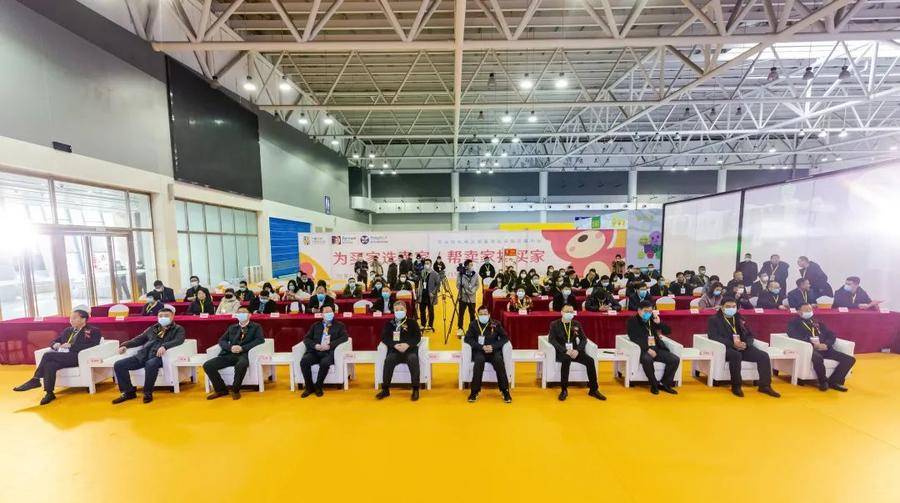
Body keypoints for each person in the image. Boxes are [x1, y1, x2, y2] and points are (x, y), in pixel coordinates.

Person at [13, 308, 101, 405]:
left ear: (83, 319)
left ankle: (36, 379)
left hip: (78, 357)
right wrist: (55, 344)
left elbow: (93, 345)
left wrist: (72, 346)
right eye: (70, 318)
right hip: (63, 356)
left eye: (74, 318)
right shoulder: (68, 330)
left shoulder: (93, 331)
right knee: (50, 365)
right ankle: (49, 393)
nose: (71, 320)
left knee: (47, 355)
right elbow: (54, 341)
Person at [111, 306, 185, 404]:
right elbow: (139, 339)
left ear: (172, 317)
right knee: (119, 364)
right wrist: (125, 345)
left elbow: (179, 340)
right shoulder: (154, 328)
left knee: (150, 364)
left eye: (166, 316)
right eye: (160, 316)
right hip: (144, 355)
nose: (163, 318)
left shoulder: (178, 329)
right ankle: (128, 392)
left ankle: (147, 393)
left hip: (159, 357)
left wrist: (165, 346)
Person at [707, 299, 780, 398]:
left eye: (734, 307)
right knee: (736, 355)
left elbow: (750, 335)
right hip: (726, 348)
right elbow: (714, 336)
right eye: (728, 307)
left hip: (742, 346)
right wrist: (733, 344)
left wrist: (746, 344)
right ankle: (736, 386)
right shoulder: (714, 319)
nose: (731, 309)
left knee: (763, 356)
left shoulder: (740, 318)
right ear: (722, 307)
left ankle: (765, 386)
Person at [787, 303, 856, 391]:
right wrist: (814, 345)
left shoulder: (817, 322)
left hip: (824, 348)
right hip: (809, 349)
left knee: (849, 359)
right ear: (799, 311)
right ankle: (823, 381)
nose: (809, 312)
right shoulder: (793, 323)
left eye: (810, 310)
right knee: (818, 358)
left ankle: (834, 381)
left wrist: (826, 344)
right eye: (806, 310)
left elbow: (831, 335)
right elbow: (795, 336)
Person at [203, 307, 263, 400]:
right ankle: (221, 390)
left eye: (244, 312)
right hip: (229, 354)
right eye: (239, 313)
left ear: (249, 315)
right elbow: (222, 340)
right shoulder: (232, 327)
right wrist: (230, 347)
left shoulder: (256, 327)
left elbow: (259, 340)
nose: (241, 314)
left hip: (244, 354)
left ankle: (235, 390)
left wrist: (242, 348)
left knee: (241, 365)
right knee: (208, 365)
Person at [548, 306, 605, 401]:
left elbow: (584, 339)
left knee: (590, 360)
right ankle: (564, 390)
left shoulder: (576, 324)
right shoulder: (554, 324)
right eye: (567, 311)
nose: (569, 313)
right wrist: (565, 351)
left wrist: (577, 350)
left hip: (575, 351)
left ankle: (594, 389)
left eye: (571, 312)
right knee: (566, 359)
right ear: (562, 312)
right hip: (562, 352)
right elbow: (552, 340)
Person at [627, 301, 679, 394]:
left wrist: (659, 323)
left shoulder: (652, 319)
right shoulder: (632, 321)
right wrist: (647, 349)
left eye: (650, 311)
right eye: (645, 311)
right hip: (643, 349)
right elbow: (634, 338)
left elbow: (668, 331)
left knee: (674, 359)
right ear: (639, 310)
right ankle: (654, 384)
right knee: (647, 360)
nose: (648, 314)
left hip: (657, 348)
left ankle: (664, 384)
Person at [464, 306, 512, 403]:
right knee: (479, 361)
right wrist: (481, 347)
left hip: (493, 351)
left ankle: (505, 391)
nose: (483, 316)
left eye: (485, 314)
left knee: (499, 361)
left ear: (489, 315)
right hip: (480, 350)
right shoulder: (473, 325)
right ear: (478, 315)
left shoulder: (495, 324)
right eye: (481, 314)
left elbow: (505, 338)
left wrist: (493, 346)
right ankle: (474, 391)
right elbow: (468, 339)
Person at [298, 306, 349, 397]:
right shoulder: (315, 325)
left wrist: (330, 345)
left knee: (325, 363)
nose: (329, 314)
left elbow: (344, 338)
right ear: (322, 314)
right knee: (304, 361)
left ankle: (318, 386)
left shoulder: (339, 325)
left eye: (331, 312)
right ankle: (309, 387)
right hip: (315, 351)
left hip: (328, 352)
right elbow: (306, 339)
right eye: (326, 312)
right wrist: (315, 345)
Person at [376, 301, 422, 401]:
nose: (399, 311)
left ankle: (415, 389)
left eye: (401, 309)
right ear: (393, 311)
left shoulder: (412, 323)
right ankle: (385, 389)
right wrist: (394, 345)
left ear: (405, 310)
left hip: (409, 350)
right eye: (396, 310)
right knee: (389, 360)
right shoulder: (389, 324)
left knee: (413, 359)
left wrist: (407, 344)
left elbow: (417, 337)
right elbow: (384, 337)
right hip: (395, 351)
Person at [457, 259, 479, 336]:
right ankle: (460, 329)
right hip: (463, 297)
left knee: (472, 314)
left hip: (472, 298)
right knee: (461, 314)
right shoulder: (461, 274)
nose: (472, 266)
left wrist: (473, 290)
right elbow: (458, 285)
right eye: (470, 265)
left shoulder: (475, 274)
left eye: (472, 265)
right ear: (466, 266)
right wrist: (465, 290)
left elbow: (477, 284)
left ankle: (472, 330)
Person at [418, 258, 440, 330]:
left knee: (430, 311)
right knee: (422, 310)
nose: (426, 265)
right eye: (425, 263)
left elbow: (438, 285)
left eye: (427, 263)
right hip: (423, 294)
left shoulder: (435, 274)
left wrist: (433, 293)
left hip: (430, 295)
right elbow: (421, 282)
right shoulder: (422, 272)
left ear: (430, 264)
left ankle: (430, 325)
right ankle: (423, 324)